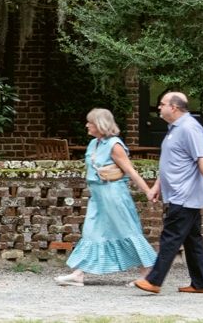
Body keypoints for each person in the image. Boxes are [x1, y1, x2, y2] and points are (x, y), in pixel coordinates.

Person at [132, 91, 203, 294]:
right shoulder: (175, 129)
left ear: (173, 107)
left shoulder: (190, 129)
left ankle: (154, 280)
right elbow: (171, 162)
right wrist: (158, 186)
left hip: (185, 194)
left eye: (162, 104)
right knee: (192, 239)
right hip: (177, 193)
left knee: (170, 235)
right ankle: (202, 283)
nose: (159, 107)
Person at [56, 108, 157, 286]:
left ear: (101, 124)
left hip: (114, 193)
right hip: (98, 195)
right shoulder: (93, 144)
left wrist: (148, 191)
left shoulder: (114, 144)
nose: (87, 125)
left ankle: (147, 273)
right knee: (91, 231)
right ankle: (79, 274)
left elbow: (130, 170)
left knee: (127, 230)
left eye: (90, 122)